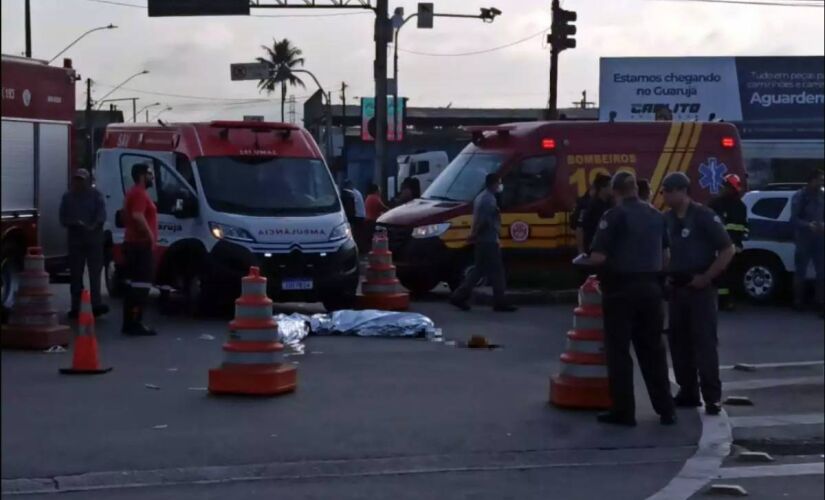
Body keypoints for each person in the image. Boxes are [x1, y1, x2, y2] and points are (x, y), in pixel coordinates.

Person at [578, 172, 676, 427]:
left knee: (619, 352)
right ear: (635, 187)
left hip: (620, 291)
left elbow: (598, 257)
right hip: (652, 290)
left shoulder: (614, 216)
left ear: (615, 190)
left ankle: (624, 411)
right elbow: (666, 256)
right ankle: (666, 409)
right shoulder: (656, 214)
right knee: (653, 350)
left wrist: (583, 262)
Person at [662, 172, 735, 416]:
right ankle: (688, 391)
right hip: (677, 287)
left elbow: (727, 249)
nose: (665, 195)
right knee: (678, 342)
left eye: (669, 191)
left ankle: (712, 397)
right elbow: (664, 250)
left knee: (704, 343)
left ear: (683, 190)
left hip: (701, 286)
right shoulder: (667, 219)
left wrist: (706, 277)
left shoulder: (703, 216)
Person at [449, 173, 517, 313]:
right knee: (497, 272)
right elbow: (484, 222)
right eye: (499, 183)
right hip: (488, 240)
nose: (500, 186)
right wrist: (474, 235)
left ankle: (458, 296)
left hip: (483, 240)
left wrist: (474, 236)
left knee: (478, 271)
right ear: (493, 183)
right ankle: (499, 302)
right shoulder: (488, 200)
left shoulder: (481, 197)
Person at [59, 169, 109, 318]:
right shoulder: (68, 197)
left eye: (82, 180)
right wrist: (74, 223)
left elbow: (101, 216)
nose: (79, 183)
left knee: (95, 273)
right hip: (76, 241)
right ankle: (75, 306)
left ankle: (96, 304)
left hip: (94, 240)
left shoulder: (96, 195)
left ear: (88, 181)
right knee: (75, 274)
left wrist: (92, 227)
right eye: (77, 180)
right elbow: (62, 218)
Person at [122, 163, 159, 336]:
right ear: (143, 176)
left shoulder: (132, 193)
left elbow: (125, 215)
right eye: (150, 174)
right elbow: (137, 215)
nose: (152, 177)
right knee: (141, 285)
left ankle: (129, 322)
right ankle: (135, 322)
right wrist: (150, 235)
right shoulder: (139, 194)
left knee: (132, 285)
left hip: (132, 244)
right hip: (140, 245)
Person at [708, 174, 749, 311]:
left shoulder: (741, 207)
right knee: (718, 274)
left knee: (731, 275)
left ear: (733, 188)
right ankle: (717, 301)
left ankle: (728, 301)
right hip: (717, 246)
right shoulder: (715, 204)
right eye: (724, 186)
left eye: (726, 186)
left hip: (733, 247)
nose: (723, 189)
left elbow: (743, 227)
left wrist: (739, 243)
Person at [790, 169, 824, 316]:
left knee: (822, 272)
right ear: (811, 180)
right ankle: (798, 302)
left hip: (820, 238)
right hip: (804, 238)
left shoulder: (822, 195)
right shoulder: (800, 196)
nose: (822, 182)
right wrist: (808, 225)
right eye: (820, 179)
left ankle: (820, 302)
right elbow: (794, 219)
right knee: (800, 272)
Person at [578, 173, 614, 254]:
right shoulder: (591, 206)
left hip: (606, 249)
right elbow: (580, 228)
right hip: (593, 249)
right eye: (610, 186)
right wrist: (581, 251)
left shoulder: (610, 204)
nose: (613, 188)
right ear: (602, 188)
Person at [364, 183, 388, 251]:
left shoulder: (368, 197)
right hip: (373, 221)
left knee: (369, 239)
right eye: (379, 189)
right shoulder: (375, 197)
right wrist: (392, 210)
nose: (380, 190)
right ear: (376, 190)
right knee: (376, 239)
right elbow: (383, 208)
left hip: (367, 221)